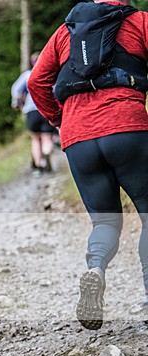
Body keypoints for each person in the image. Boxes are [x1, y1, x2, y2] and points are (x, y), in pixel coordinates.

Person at [28, 0, 148, 330]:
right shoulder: (139, 22)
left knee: (105, 221)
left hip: (78, 138)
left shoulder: (66, 31)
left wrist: (60, 120)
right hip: (127, 128)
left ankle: (95, 269)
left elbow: (36, 82)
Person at [11, 52, 56, 177]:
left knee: (36, 139)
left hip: (31, 110)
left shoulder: (27, 75)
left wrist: (17, 102)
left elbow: (16, 90)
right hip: (46, 109)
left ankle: (38, 166)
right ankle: (47, 152)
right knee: (47, 138)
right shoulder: (50, 73)